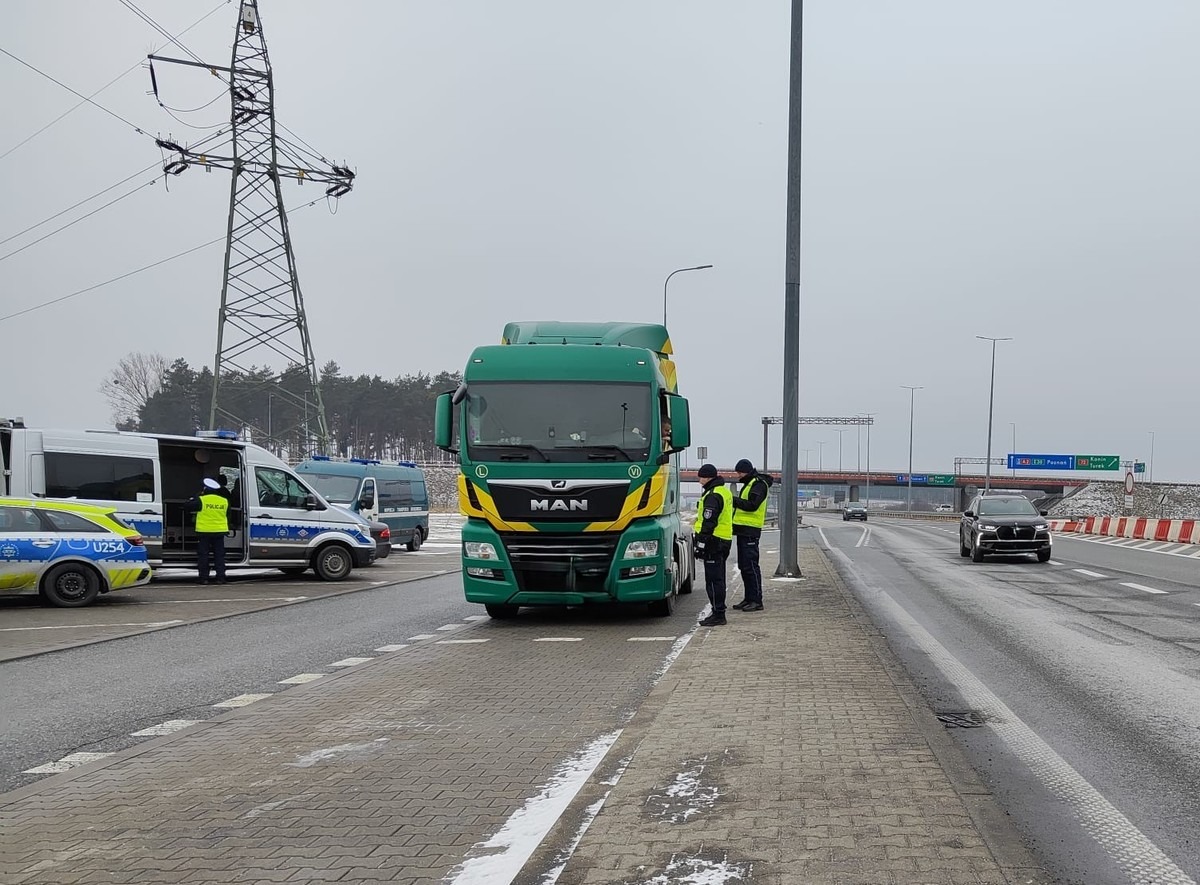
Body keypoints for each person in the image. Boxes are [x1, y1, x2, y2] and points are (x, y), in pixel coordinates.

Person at [730, 458, 773, 612]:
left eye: (740, 473)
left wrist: (733, 501)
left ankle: (756, 600)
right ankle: (749, 598)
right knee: (744, 566)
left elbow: (753, 506)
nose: (738, 476)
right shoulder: (749, 484)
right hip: (743, 530)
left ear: (746, 471)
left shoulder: (758, 484)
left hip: (750, 531)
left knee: (751, 566)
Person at [693, 463, 733, 627]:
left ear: (708, 477)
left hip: (714, 541)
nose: (699, 480)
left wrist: (701, 543)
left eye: (701, 477)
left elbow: (709, 521)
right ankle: (718, 611)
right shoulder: (724, 491)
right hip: (724, 539)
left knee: (713, 580)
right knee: (719, 578)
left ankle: (718, 614)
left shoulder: (712, 495)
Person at [187, 477, 230, 585]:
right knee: (219, 555)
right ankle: (221, 577)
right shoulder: (224, 501)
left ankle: (204, 578)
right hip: (220, 531)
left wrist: (196, 496)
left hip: (204, 531)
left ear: (205, 489)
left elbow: (187, 506)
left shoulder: (201, 499)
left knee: (203, 555)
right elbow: (228, 516)